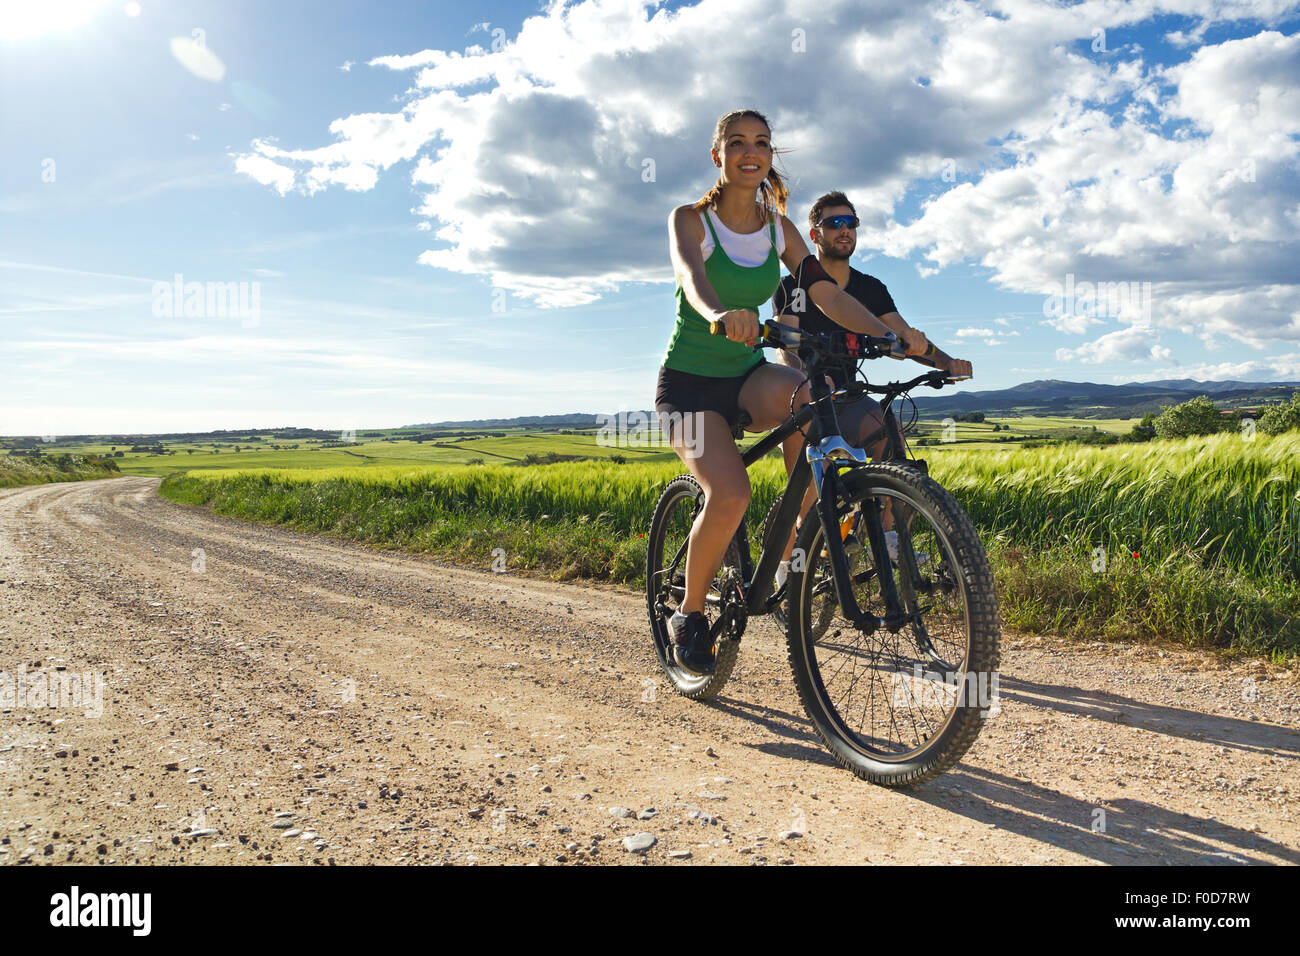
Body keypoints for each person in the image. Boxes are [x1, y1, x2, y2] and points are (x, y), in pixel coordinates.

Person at [656, 108, 928, 676]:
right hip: (688, 386)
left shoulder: (780, 227)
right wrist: (720, 313)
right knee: (729, 496)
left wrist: (889, 335)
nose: (750, 152)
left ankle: (807, 517)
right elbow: (691, 276)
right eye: (737, 143)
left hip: (746, 375)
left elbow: (824, 293)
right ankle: (690, 612)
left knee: (813, 391)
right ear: (718, 156)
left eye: (761, 143)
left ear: (770, 156)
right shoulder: (691, 219)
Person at [769, 191, 973, 583]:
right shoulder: (792, 287)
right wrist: (804, 381)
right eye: (834, 223)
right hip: (803, 397)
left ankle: (887, 534)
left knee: (890, 437)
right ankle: (788, 566)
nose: (844, 231)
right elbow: (786, 347)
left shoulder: (870, 288)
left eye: (851, 223)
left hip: (849, 395)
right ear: (814, 233)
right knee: (808, 496)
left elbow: (901, 336)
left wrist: (945, 363)